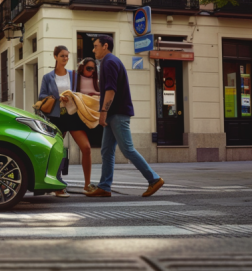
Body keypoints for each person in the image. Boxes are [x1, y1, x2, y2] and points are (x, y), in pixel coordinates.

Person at [84, 35, 165, 198]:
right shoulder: (108, 62)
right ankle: (105, 186)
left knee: (127, 149)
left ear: (105, 46)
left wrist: (103, 113)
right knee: (107, 151)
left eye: (96, 46)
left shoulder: (109, 62)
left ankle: (154, 179)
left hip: (117, 114)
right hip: (114, 113)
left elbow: (111, 90)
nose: (93, 50)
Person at [38, 46, 92, 198]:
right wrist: (57, 98)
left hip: (73, 115)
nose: (65, 59)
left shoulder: (74, 75)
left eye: (67, 56)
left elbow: (82, 91)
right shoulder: (48, 77)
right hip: (57, 117)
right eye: (62, 56)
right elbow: (42, 96)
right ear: (55, 57)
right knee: (57, 151)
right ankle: (58, 186)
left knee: (86, 148)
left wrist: (74, 97)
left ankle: (87, 185)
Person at [76, 58, 100, 192]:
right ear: (82, 68)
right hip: (74, 116)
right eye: (88, 68)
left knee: (87, 149)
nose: (91, 71)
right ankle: (56, 184)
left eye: (93, 69)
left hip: (89, 116)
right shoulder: (75, 79)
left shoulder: (96, 82)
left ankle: (87, 184)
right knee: (59, 149)